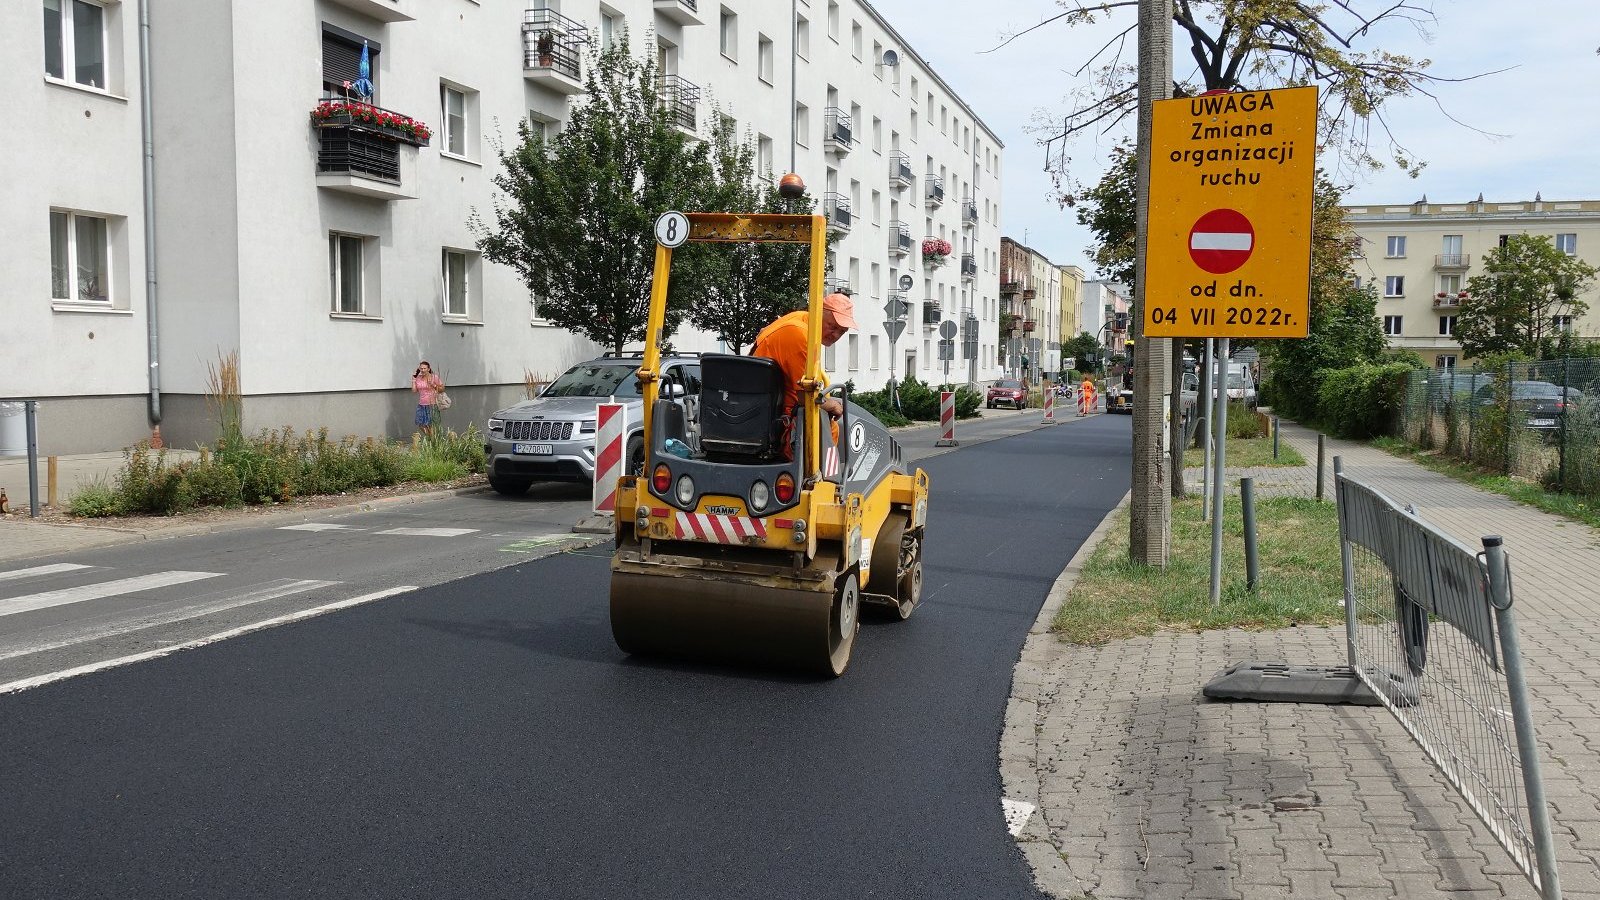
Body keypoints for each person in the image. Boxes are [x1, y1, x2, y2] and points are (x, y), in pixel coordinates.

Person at [752, 291, 857, 448]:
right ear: (818, 313)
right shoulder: (801, 337)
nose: (836, 335)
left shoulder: (799, 319)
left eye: (842, 331)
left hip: (766, 413)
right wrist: (833, 405)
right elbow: (806, 397)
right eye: (832, 326)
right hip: (785, 426)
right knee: (829, 428)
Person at [412, 361, 444, 437]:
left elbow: (442, 389)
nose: (422, 370)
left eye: (424, 368)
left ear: (428, 369)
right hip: (421, 404)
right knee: (421, 424)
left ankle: (433, 441)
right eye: (421, 368)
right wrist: (413, 380)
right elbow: (414, 391)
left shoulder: (434, 377)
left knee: (431, 425)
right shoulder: (418, 378)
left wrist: (433, 385)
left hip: (431, 404)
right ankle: (431, 438)